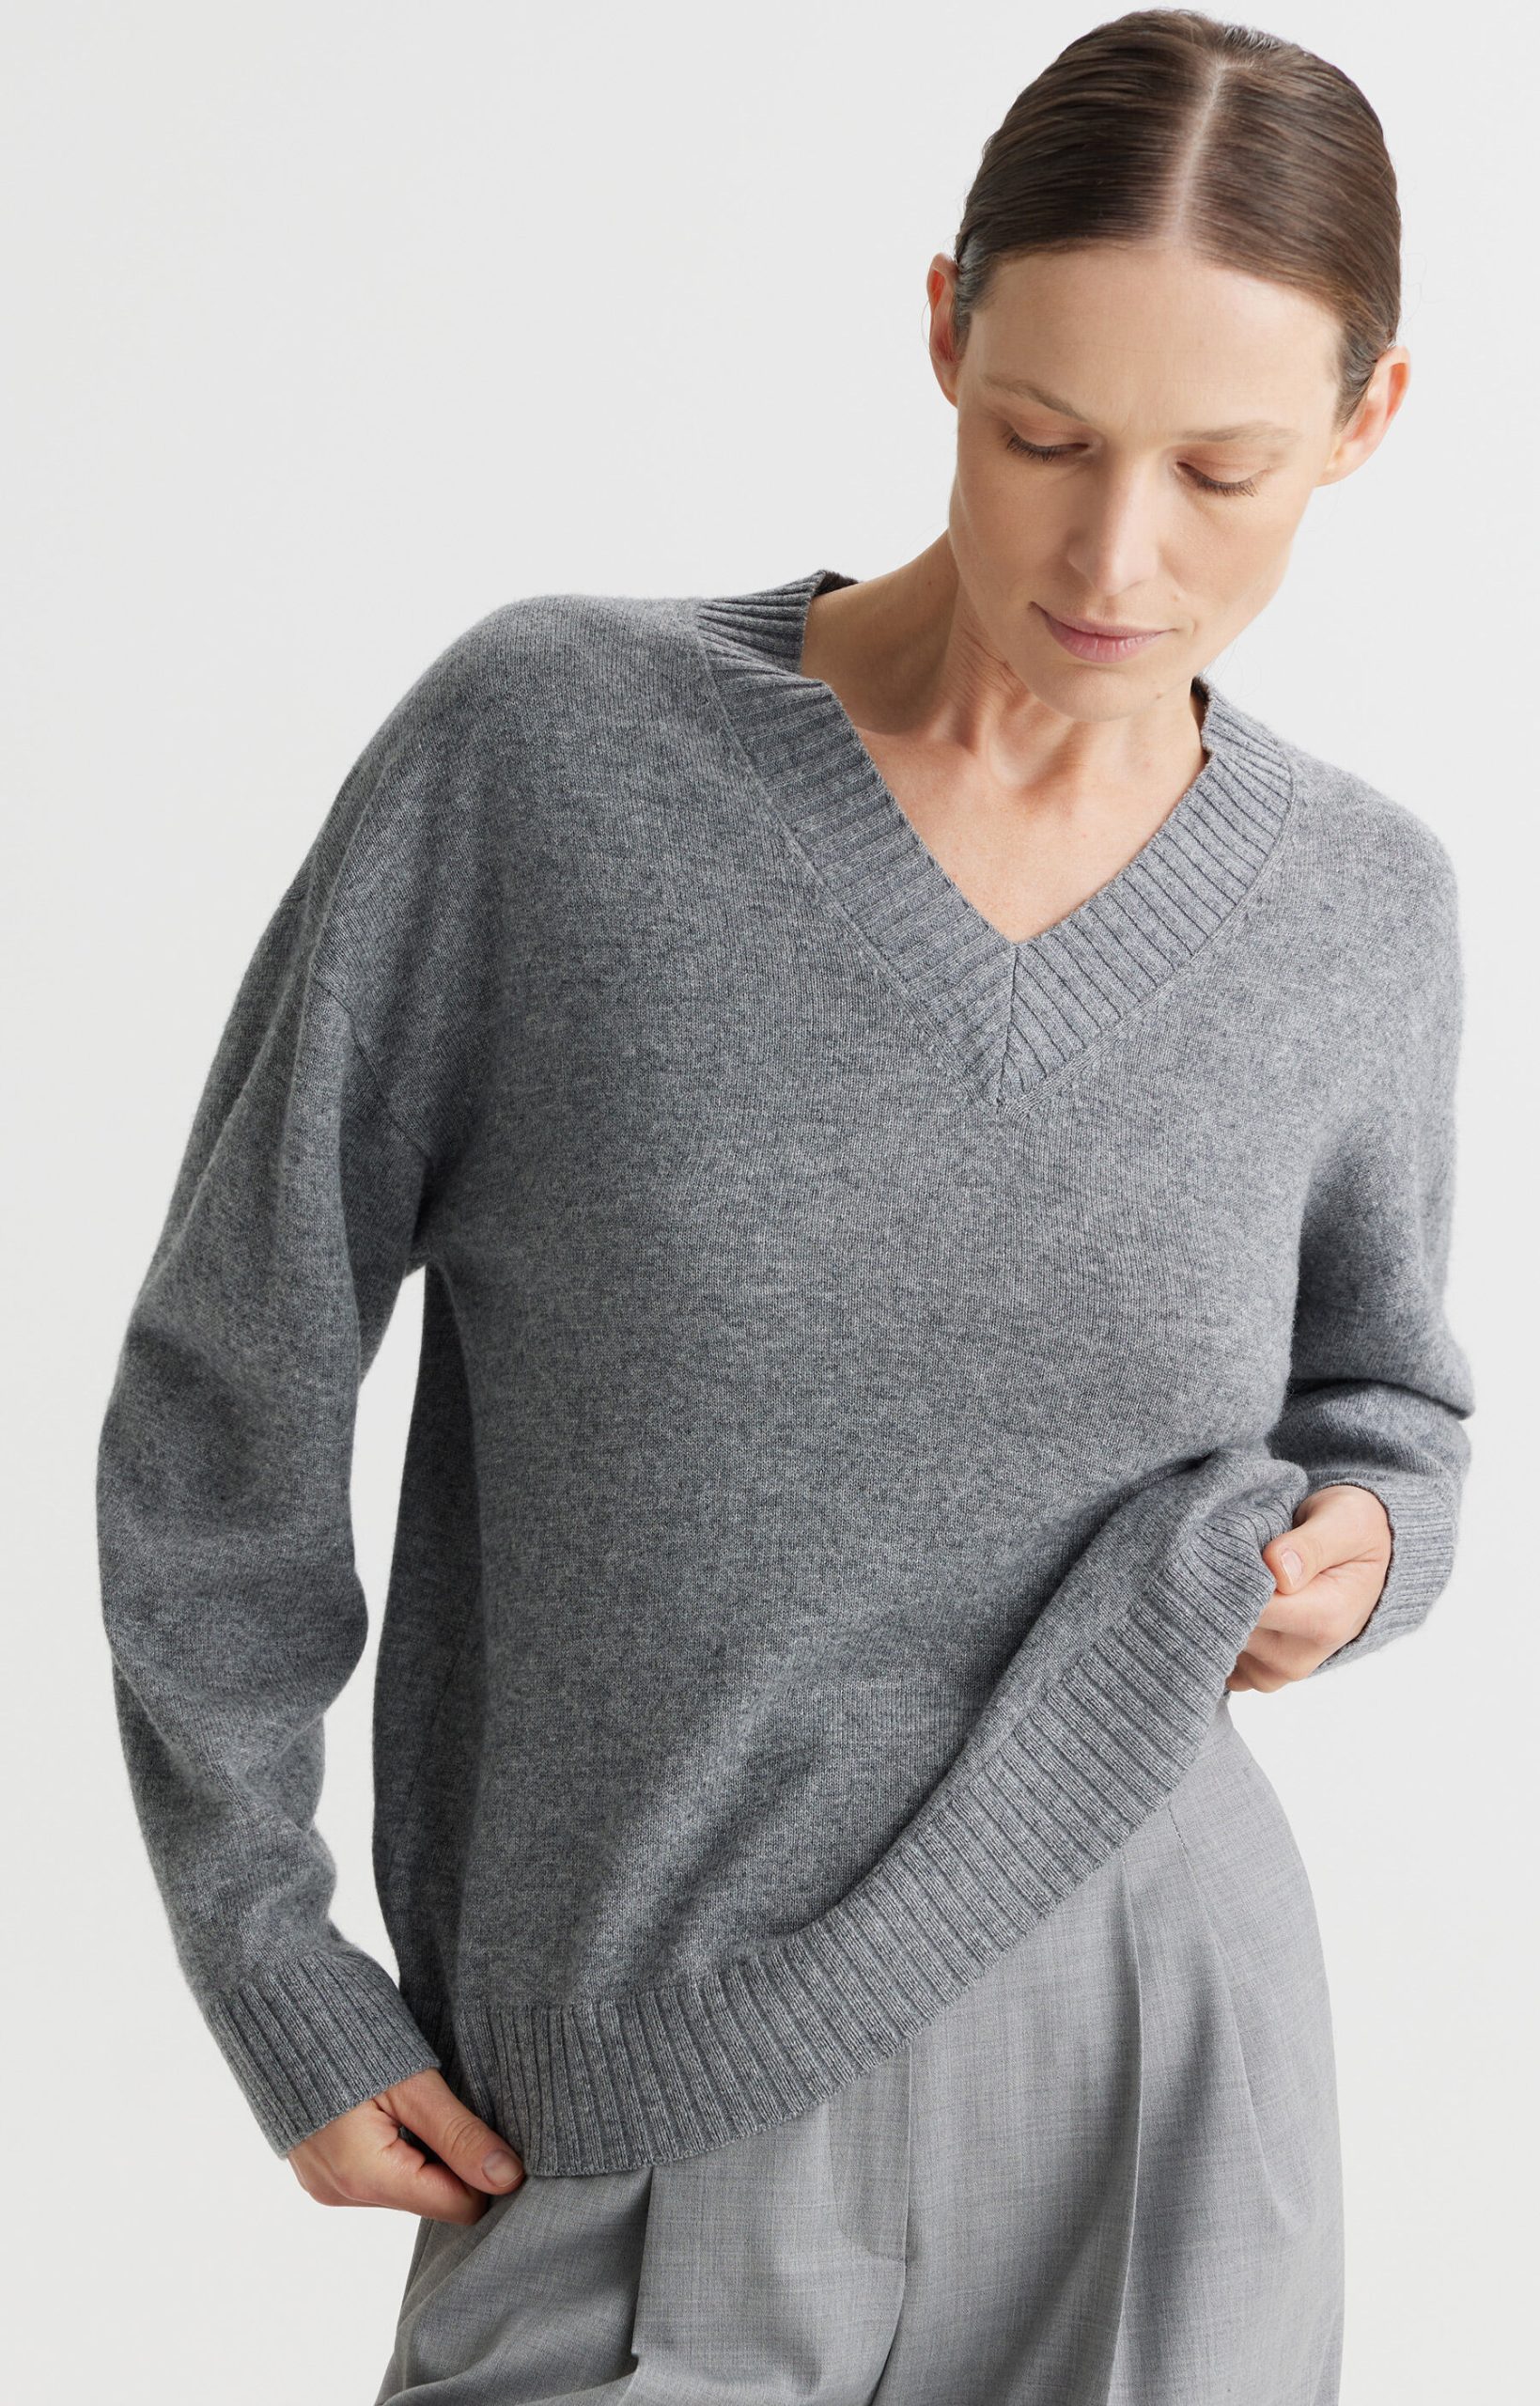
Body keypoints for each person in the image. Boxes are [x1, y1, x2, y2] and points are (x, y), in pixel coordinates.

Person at [96, 10, 1475, 2401]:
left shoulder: (1355, 904)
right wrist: (261, 1941)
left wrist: (1367, 1544)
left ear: (1365, 423)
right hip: (635, 2065)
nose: (1115, 553)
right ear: (941, 328)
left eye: (1221, 470)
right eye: (1042, 436)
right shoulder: (548, 756)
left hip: (1154, 2049)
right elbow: (236, 1362)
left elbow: (1386, 1410)